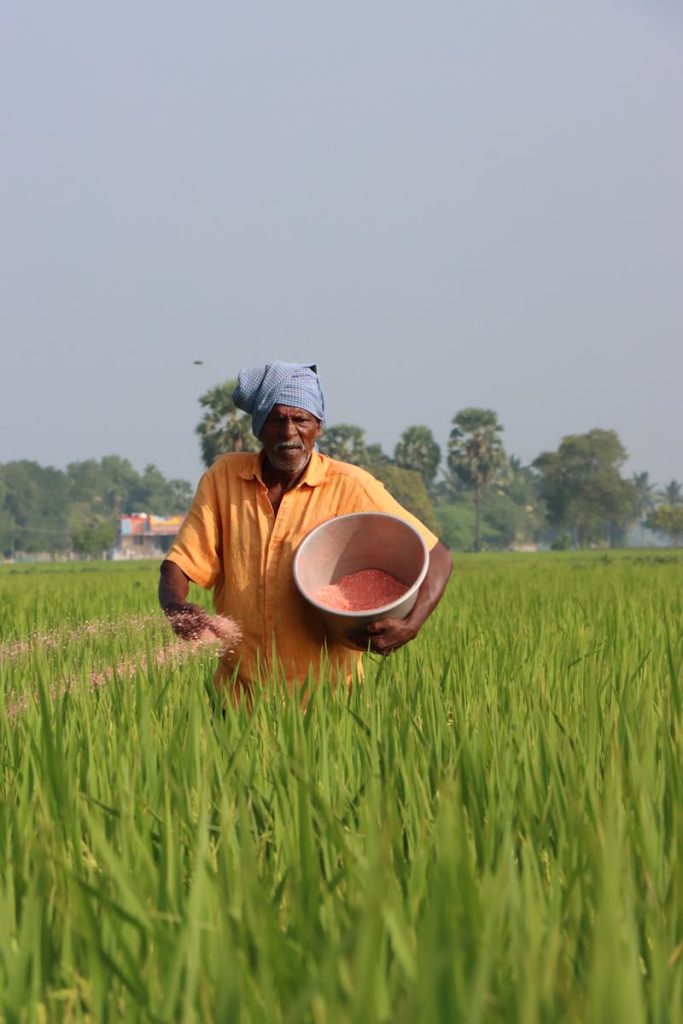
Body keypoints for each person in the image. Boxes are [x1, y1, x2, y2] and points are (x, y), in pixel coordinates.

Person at [159, 361, 452, 698]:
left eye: (301, 420)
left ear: (319, 427)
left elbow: (438, 556)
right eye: (275, 420)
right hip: (239, 697)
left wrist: (410, 625)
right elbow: (180, 562)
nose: (288, 433)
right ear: (259, 427)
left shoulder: (350, 485)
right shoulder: (224, 477)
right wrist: (174, 604)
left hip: (326, 700)